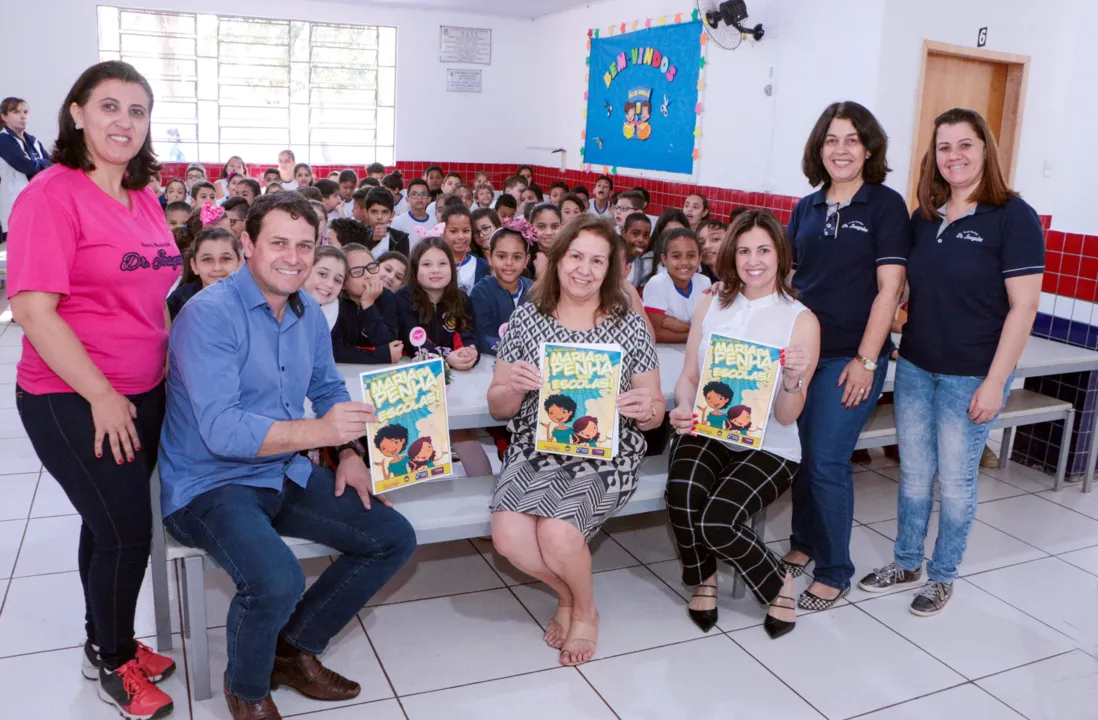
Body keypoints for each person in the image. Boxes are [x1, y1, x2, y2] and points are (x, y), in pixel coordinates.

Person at [159, 192, 416, 719]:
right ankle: (247, 689)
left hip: (279, 469)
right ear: (247, 244)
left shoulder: (305, 314)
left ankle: (292, 650)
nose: (294, 257)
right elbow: (222, 431)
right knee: (277, 579)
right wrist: (319, 431)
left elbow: (326, 388)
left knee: (392, 537)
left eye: (305, 245)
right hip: (208, 485)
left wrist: (345, 450)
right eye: (278, 242)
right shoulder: (208, 315)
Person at [7, 60, 180, 719]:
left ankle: (103, 638)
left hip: (144, 389)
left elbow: (154, 291)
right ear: (76, 112)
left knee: (106, 523)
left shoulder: (141, 195)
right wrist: (105, 396)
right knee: (127, 531)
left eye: (137, 111)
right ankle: (115, 664)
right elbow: (33, 310)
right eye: (110, 106)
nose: (124, 122)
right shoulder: (50, 196)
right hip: (71, 396)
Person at [858, 108, 1043, 615]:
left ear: (986, 150)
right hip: (916, 367)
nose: (954, 156)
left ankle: (942, 575)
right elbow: (909, 288)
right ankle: (907, 560)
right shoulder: (924, 217)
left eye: (965, 145)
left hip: (973, 375)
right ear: (932, 156)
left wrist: (996, 382)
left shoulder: (1012, 215)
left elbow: (1024, 307)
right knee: (915, 474)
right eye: (944, 147)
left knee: (956, 482)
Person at [487, 215, 662, 666]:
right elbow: (498, 407)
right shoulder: (526, 319)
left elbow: (655, 410)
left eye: (598, 261)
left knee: (559, 534)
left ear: (612, 270)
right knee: (509, 537)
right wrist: (515, 387)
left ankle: (584, 611)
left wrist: (646, 410)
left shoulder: (630, 326)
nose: (584, 269)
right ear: (558, 258)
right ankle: (566, 594)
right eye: (576, 256)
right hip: (535, 445)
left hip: (608, 451)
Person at [780, 101, 911, 610]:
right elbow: (790, 280)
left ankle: (835, 568)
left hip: (851, 358)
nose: (841, 149)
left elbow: (890, 289)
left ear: (869, 148)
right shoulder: (806, 208)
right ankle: (804, 544)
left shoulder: (884, 205)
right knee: (801, 457)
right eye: (832, 139)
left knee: (829, 461)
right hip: (803, 356)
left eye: (852, 139)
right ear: (819, 147)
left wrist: (867, 359)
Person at [666, 210, 819, 638]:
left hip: (771, 443)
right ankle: (705, 579)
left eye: (764, 250)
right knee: (681, 493)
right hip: (710, 427)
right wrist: (682, 406)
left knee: (718, 520)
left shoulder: (800, 320)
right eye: (745, 250)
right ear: (731, 255)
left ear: (781, 255)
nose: (754, 260)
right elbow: (690, 377)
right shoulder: (710, 303)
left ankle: (777, 583)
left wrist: (792, 380)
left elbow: (789, 415)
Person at [392, 237, 493, 478]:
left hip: (454, 385)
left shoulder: (461, 299)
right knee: (414, 444)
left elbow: (468, 335)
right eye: (426, 265)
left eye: (442, 263)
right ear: (415, 269)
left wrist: (470, 353)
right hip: (412, 387)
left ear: (452, 267)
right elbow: (410, 341)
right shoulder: (402, 300)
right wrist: (445, 358)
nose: (435, 270)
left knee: (463, 432)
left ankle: (485, 492)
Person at [334, 242, 403, 364]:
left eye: (371, 268)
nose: (367, 276)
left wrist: (368, 305)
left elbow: (389, 345)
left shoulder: (388, 297)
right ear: (342, 282)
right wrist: (379, 355)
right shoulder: (335, 303)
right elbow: (336, 351)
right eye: (357, 271)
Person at [471, 226, 533, 355]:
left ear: (526, 260)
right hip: (490, 363)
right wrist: (514, 351)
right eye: (501, 256)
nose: (509, 263)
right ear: (489, 257)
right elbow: (483, 337)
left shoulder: (534, 291)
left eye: (516, 257)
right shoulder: (481, 292)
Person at [642, 228, 711, 342]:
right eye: (676, 256)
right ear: (665, 259)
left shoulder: (704, 282)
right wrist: (698, 333)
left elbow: (709, 326)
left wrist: (684, 327)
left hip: (694, 351)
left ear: (700, 258)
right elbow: (653, 333)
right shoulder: (657, 284)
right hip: (664, 353)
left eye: (691, 256)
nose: (684, 262)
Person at [0, 97, 51, 239]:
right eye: (16, 112)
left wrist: (38, 163)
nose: (23, 117)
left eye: (25, 112)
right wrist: (41, 163)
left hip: (38, 203)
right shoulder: (3, 140)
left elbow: (53, 165)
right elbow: (27, 166)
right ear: (4, 117)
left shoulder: (33, 141)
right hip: (15, 205)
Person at [166, 227, 243, 320]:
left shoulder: (254, 299)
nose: (217, 268)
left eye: (226, 259)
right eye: (207, 260)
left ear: (239, 262)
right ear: (194, 265)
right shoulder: (178, 302)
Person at [438, 204, 489, 293]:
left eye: (466, 231)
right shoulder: (434, 265)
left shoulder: (483, 266)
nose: (461, 236)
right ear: (443, 232)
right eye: (453, 231)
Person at [355, 186, 410, 256]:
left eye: (385, 212)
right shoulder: (358, 237)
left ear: (392, 214)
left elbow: (401, 265)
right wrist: (372, 240)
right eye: (374, 212)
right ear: (366, 213)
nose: (379, 217)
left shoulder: (400, 239)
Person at [303, 244, 347, 330]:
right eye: (322, 274)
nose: (330, 284)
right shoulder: (279, 306)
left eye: (337, 280)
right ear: (306, 270)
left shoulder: (345, 319)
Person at [621, 212, 654, 287]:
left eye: (646, 236)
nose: (641, 239)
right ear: (624, 233)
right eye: (635, 234)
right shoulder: (610, 258)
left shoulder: (642, 265)